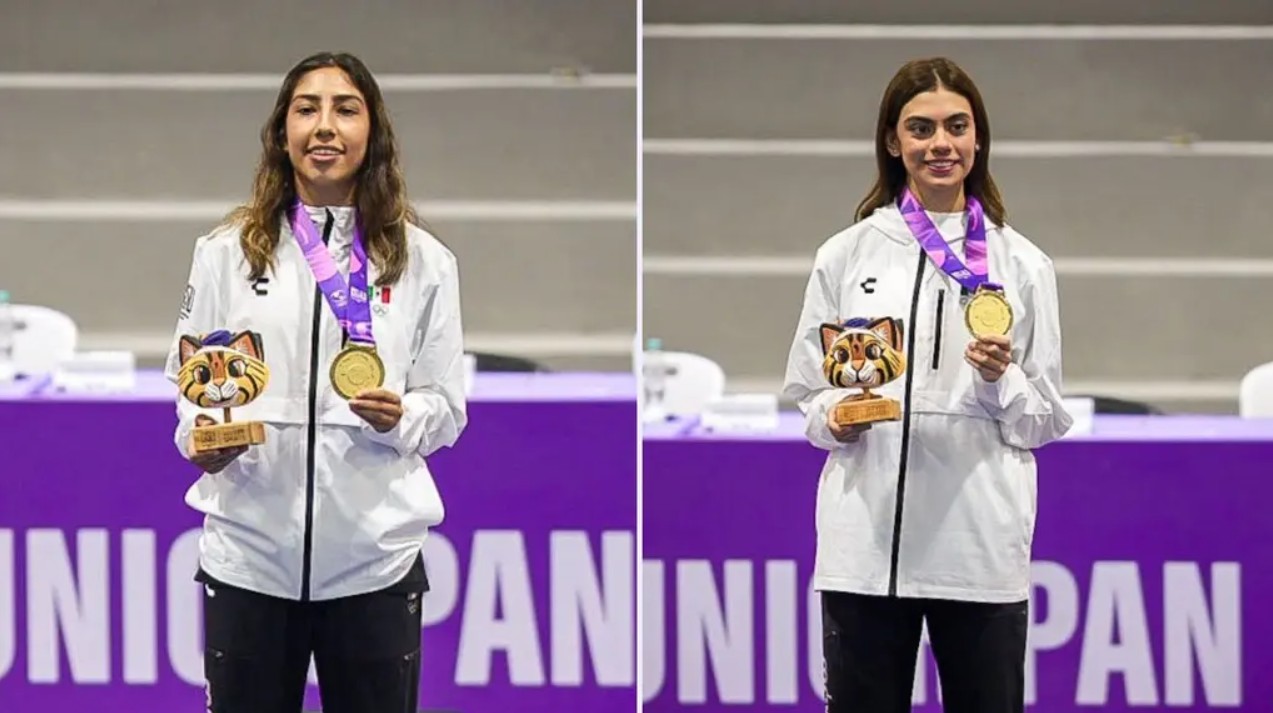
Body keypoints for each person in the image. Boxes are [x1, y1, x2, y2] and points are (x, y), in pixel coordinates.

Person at [164, 51, 467, 713]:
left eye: (345, 109)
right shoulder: (224, 253)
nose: (324, 126)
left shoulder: (425, 263)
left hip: (374, 565)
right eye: (306, 109)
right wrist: (202, 439)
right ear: (282, 133)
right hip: (249, 560)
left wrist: (403, 416)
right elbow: (190, 388)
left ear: (372, 132)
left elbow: (446, 407)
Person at [782, 57, 1073, 713]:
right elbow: (808, 394)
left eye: (956, 126)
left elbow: (1043, 419)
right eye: (920, 128)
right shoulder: (845, 255)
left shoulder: (1023, 264)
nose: (940, 143)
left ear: (978, 138)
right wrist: (836, 418)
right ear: (893, 141)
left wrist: (1000, 379)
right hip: (864, 549)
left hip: (978, 549)